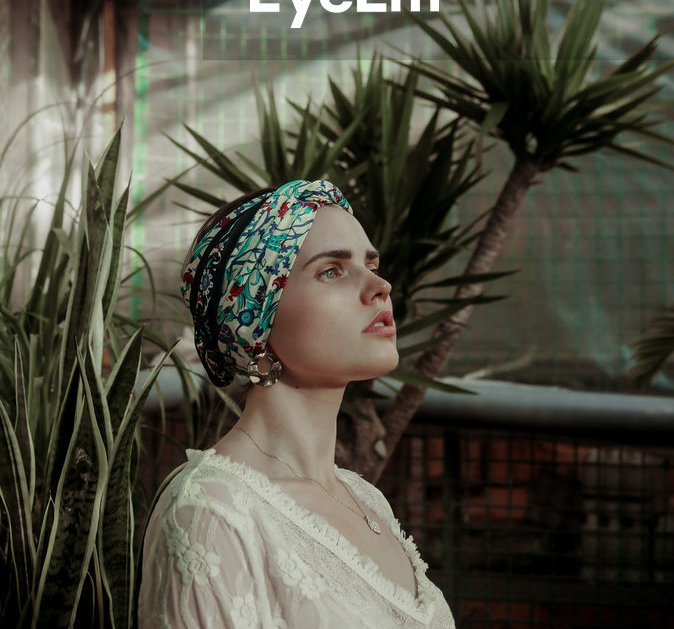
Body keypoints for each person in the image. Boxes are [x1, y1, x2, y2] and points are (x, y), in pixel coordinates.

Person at [137, 177, 456, 628]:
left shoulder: (365, 499)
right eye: (332, 271)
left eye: (371, 263)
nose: (380, 285)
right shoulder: (212, 511)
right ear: (256, 322)